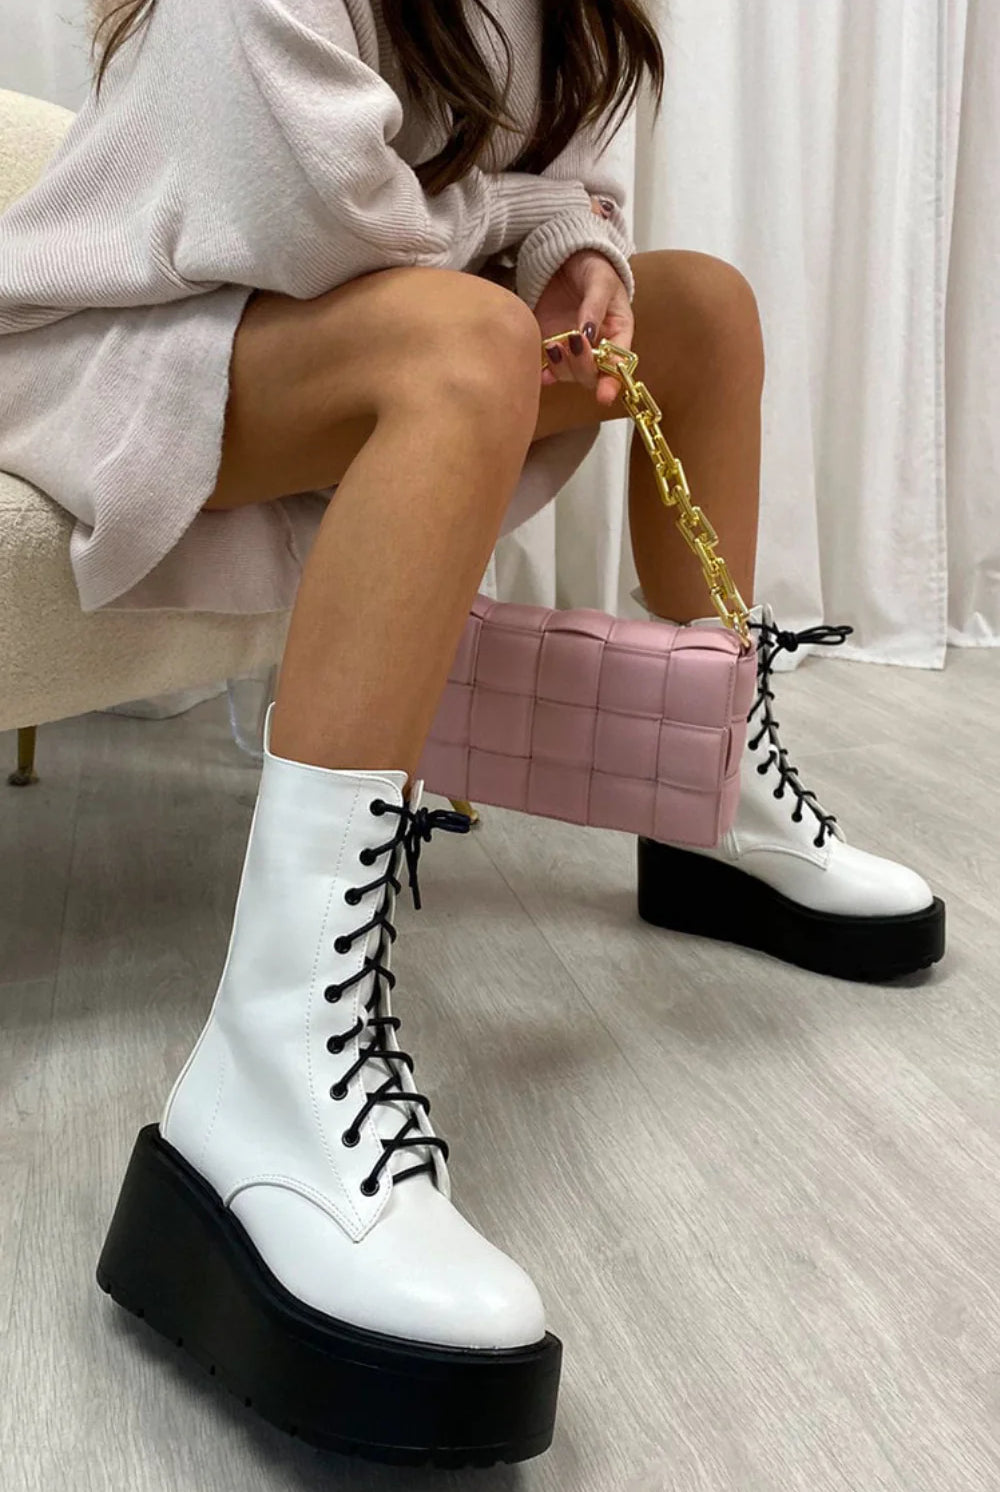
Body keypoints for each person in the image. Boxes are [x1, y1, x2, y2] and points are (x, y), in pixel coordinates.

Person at [0, 0, 944, 1467]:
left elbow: (557, 191)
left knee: (700, 311)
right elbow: (313, 222)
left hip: (331, 325)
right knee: (465, 344)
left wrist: (582, 254)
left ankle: (713, 787)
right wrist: (525, 239)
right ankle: (265, 1075)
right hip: (121, 340)